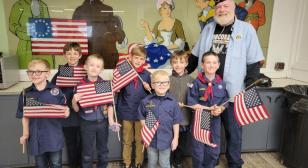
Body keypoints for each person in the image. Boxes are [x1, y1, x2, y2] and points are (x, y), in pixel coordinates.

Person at [189, 0, 264, 167]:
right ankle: (210, 161)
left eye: (225, 6)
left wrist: (249, 87)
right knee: (206, 131)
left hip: (233, 93)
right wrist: (180, 73)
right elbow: (195, 57)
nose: (221, 10)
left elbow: (253, 62)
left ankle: (234, 163)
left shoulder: (247, 29)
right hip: (206, 95)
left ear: (234, 9)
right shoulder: (208, 28)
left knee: (234, 132)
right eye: (218, 7)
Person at [16, 59, 69, 167]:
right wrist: (25, 134)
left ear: (48, 73)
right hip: (36, 137)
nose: (34, 74)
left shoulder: (56, 91)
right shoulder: (25, 93)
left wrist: (67, 112)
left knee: (56, 164)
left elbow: (64, 111)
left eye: (39, 71)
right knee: (40, 165)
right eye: (31, 72)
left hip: (53, 136)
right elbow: (24, 116)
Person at [72, 54, 120, 168]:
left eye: (98, 66)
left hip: (102, 123)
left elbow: (109, 104)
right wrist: (74, 100)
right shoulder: (80, 86)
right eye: (91, 65)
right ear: (85, 67)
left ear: (102, 69)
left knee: (103, 152)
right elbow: (76, 109)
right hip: (86, 123)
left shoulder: (103, 84)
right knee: (87, 153)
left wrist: (111, 121)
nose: (94, 68)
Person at [187, 51, 229, 168]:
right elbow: (191, 102)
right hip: (201, 118)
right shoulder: (196, 82)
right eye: (208, 62)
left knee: (214, 149)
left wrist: (220, 109)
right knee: (198, 150)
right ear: (202, 65)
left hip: (215, 120)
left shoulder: (221, 83)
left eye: (214, 62)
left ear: (218, 65)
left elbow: (225, 100)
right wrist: (206, 108)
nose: (211, 65)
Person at [138, 70, 183, 168]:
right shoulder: (145, 101)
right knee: (152, 162)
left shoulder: (173, 102)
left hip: (166, 140)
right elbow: (141, 117)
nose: (161, 85)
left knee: (165, 163)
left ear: (169, 85)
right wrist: (146, 133)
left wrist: (176, 138)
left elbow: (176, 122)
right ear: (152, 85)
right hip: (151, 140)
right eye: (158, 82)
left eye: (165, 82)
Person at [116, 45, 151, 168]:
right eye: (136, 58)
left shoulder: (147, 75)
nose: (138, 61)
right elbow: (117, 90)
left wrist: (149, 88)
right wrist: (116, 88)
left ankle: (138, 162)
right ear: (130, 57)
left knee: (139, 140)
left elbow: (152, 95)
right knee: (127, 140)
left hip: (141, 113)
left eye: (142, 59)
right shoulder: (124, 72)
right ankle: (126, 162)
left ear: (145, 60)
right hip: (127, 112)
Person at [51, 42, 83, 168]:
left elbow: (96, 85)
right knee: (71, 143)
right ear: (64, 55)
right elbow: (53, 91)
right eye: (69, 53)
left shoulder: (85, 70)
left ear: (80, 55)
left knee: (84, 143)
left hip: (83, 115)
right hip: (67, 116)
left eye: (75, 53)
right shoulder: (60, 73)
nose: (72, 56)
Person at [73, 0, 127, 69]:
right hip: (104, 53)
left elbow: (76, 31)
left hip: (91, 53)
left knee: (90, 74)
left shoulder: (80, 10)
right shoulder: (107, 9)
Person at [140, 0, 186, 68]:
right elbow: (151, 40)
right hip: (159, 50)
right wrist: (147, 27)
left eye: (169, 8)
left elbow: (181, 39)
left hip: (171, 50)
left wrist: (165, 48)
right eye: (164, 8)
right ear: (160, 10)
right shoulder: (158, 23)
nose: (167, 10)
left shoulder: (177, 22)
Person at [9, 0, 54, 68]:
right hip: (26, 45)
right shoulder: (19, 5)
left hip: (43, 44)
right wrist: (26, 33)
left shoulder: (43, 5)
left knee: (46, 68)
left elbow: (47, 24)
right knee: (26, 69)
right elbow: (12, 25)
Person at [168, 50, 194, 168]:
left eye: (181, 62)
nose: (178, 65)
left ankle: (178, 161)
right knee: (169, 141)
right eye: (175, 62)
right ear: (171, 64)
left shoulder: (192, 80)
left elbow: (195, 98)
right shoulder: (167, 79)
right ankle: (168, 161)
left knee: (181, 143)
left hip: (184, 118)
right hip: (169, 118)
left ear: (186, 63)